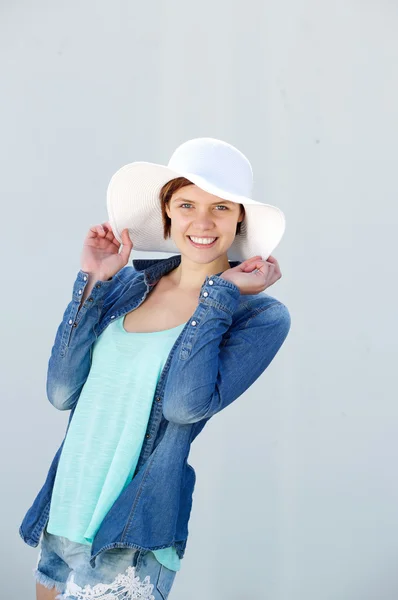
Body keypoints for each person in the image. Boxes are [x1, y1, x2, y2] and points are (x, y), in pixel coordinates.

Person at [19, 138, 291, 600]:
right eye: (187, 204)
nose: (202, 222)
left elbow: (185, 405)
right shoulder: (126, 286)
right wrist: (93, 282)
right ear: (167, 210)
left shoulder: (259, 316)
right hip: (64, 509)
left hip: (131, 528)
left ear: (239, 217)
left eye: (220, 207)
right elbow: (62, 391)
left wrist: (219, 295)